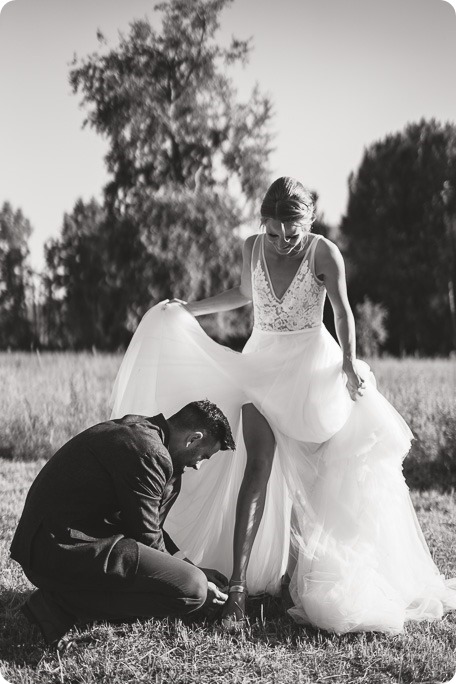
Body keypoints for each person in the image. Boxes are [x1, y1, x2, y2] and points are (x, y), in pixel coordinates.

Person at [110, 176, 456, 635]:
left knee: (314, 481)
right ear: (263, 224)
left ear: (308, 222)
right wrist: (188, 310)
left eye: (291, 232)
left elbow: (343, 310)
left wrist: (350, 362)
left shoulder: (324, 252)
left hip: (311, 372)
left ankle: (299, 574)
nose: (282, 241)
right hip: (261, 368)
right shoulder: (252, 247)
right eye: (273, 231)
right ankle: (237, 587)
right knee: (259, 465)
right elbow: (242, 296)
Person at [11, 400, 234, 646]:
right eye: (203, 455)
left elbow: (151, 527)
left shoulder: (146, 435)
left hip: (59, 542)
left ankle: (64, 600)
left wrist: (192, 565)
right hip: (56, 549)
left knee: (191, 577)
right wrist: (197, 583)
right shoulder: (150, 452)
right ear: (192, 439)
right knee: (192, 590)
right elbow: (148, 539)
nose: (198, 465)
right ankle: (58, 605)